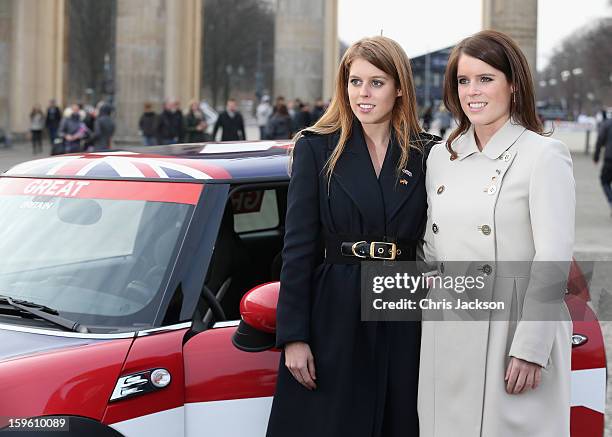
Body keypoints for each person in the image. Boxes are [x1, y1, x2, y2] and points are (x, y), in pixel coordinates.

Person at [266, 36, 438, 437]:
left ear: (399, 88)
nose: (363, 93)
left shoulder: (428, 152)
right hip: (335, 311)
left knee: (400, 422)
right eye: (355, 81)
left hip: (402, 305)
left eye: (376, 82)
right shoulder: (316, 148)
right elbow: (298, 248)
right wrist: (294, 336)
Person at [419, 30, 574, 437]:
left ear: (513, 83)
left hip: (513, 331)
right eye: (463, 80)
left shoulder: (543, 154)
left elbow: (554, 256)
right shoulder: (441, 157)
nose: (472, 91)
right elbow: (431, 251)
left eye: (485, 78)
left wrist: (531, 348)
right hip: (448, 329)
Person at [594, 111, 612, 216]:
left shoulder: (607, 124)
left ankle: (611, 200)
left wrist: (596, 157)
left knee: (604, 181)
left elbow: (600, 140)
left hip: (610, 158)